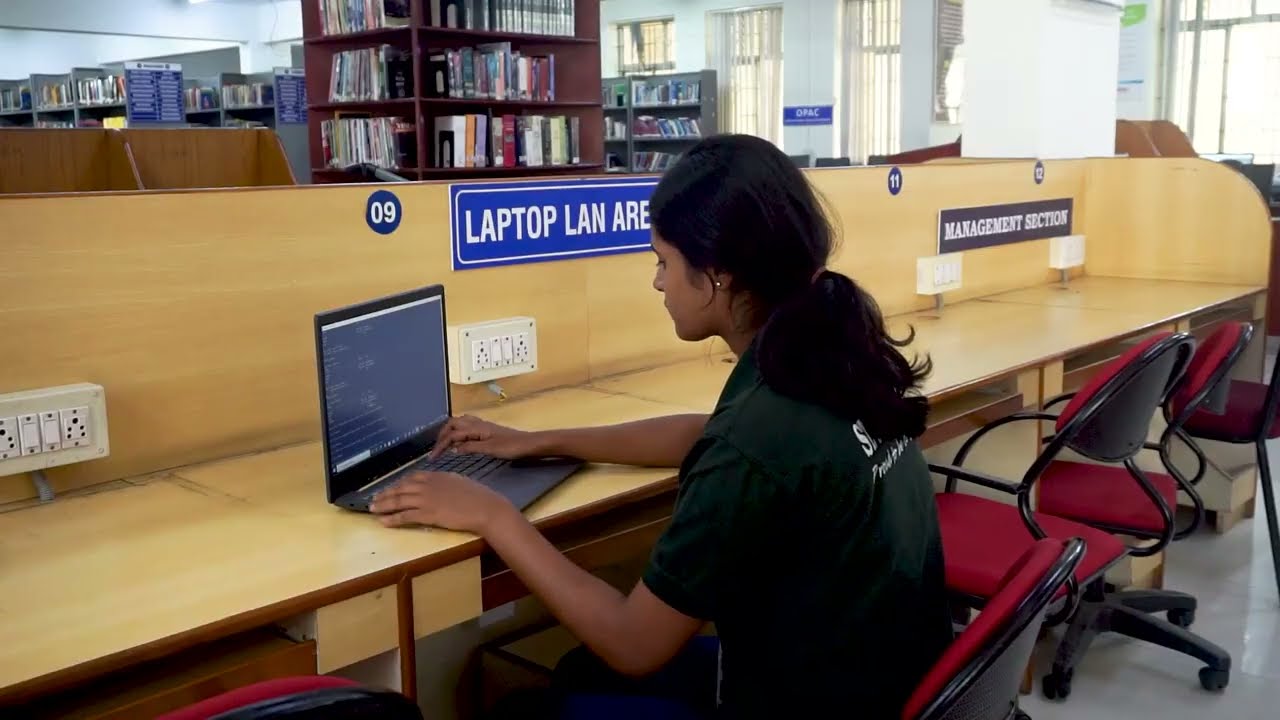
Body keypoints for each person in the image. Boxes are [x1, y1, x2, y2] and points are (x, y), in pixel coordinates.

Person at [371, 134, 954, 718]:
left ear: (718, 274)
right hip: (880, 681)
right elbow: (711, 436)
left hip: (809, 700)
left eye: (664, 261)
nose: (657, 281)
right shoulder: (829, 353)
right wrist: (538, 442)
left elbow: (634, 645)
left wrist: (489, 514)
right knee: (577, 671)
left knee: (530, 707)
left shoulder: (758, 435)